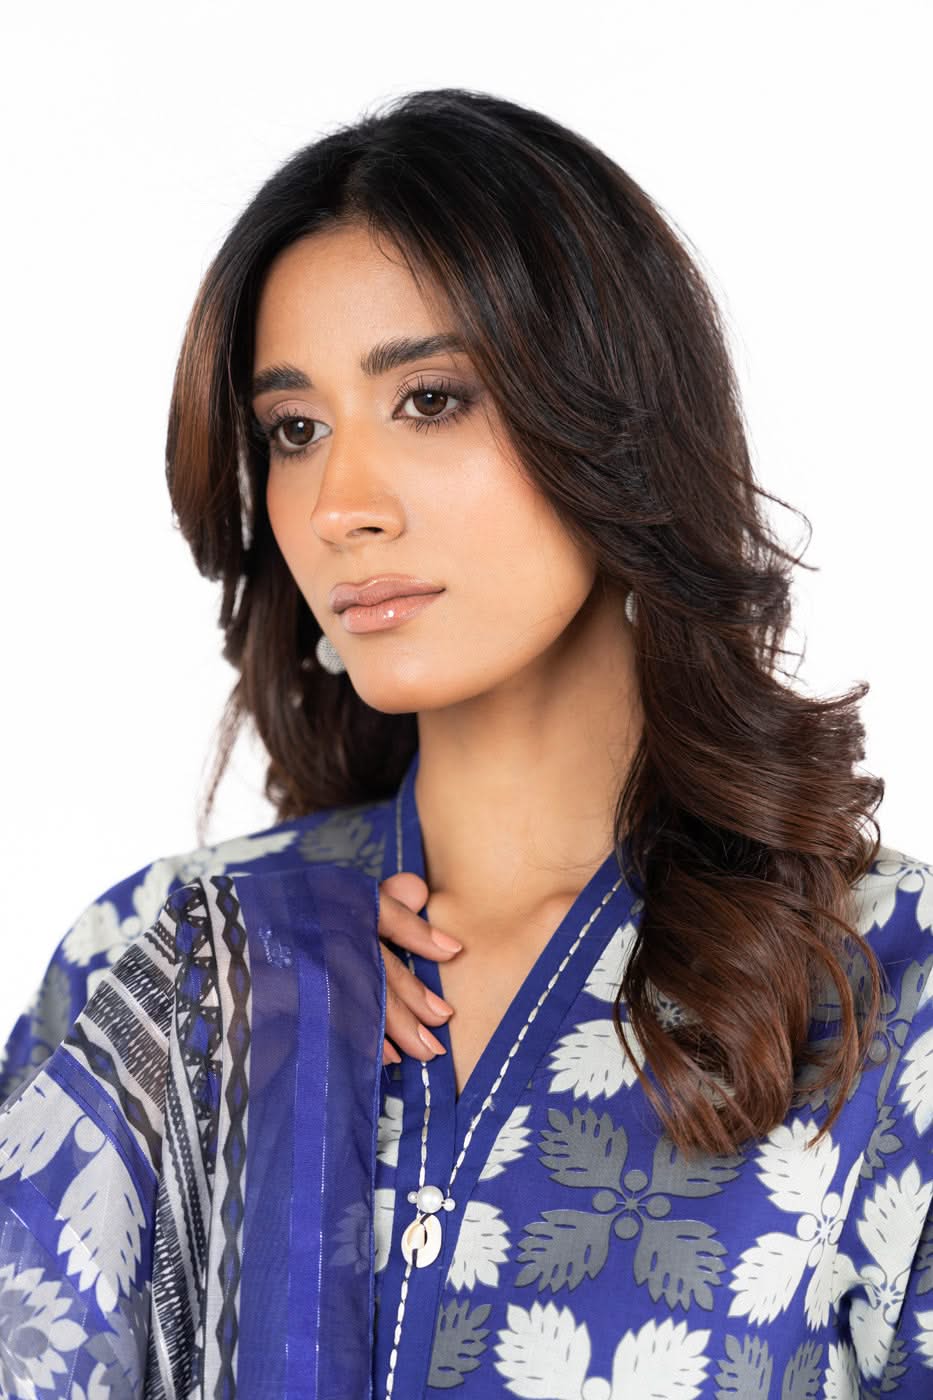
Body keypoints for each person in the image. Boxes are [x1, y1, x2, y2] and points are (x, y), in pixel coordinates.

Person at [1, 86, 930, 1400]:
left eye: (430, 400)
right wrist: (200, 1043)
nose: (342, 505)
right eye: (295, 430)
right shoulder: (168, 965)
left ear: (613, 427)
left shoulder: (886, 987)